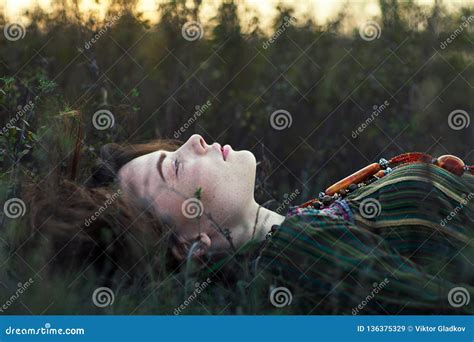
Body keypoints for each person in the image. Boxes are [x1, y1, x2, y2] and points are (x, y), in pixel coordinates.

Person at [24, 134, 473, 314]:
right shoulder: (296, 252)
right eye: (175, 168)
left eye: (173, 152)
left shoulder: (298, 224)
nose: (194, 141)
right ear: (190, 246)